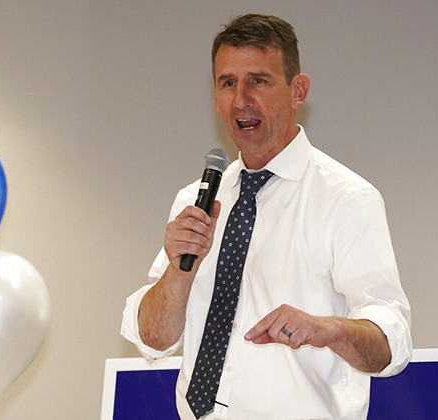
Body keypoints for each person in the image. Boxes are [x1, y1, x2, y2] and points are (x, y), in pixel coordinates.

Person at [122, 13, 412, 420]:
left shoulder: (346, 199)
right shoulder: (196, 201)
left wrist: (330, 329)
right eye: (227, 83)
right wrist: (178, 271)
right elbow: (153, 341)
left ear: (298, 91)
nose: (241, 99)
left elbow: (392, 345)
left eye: (257, 80)